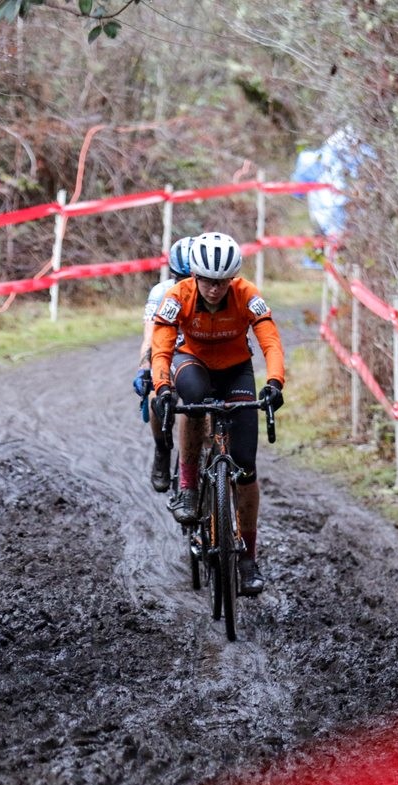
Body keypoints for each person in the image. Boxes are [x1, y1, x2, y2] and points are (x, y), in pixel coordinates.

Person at [149, 232, 285, 597]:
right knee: (192, 400)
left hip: (236, 368)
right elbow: (161, 346)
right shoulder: (178, 297)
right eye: (208, 281)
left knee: (246, 466)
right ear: (195, 276)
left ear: (232, 279)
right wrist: (162, 387)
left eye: (222, 282)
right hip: (191, 362)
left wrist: (274, 383)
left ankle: (247, 560)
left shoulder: (247, 294)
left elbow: (269, 340)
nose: (214, 288)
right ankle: (190, 487)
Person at [132, 236, 194, 492]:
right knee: (157, 396)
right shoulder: (161, 293)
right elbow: (150, 338)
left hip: (203, 354)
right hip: (170, 353)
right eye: (181, 280)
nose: (188, 287)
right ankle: (162, 448)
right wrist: (144, 369)